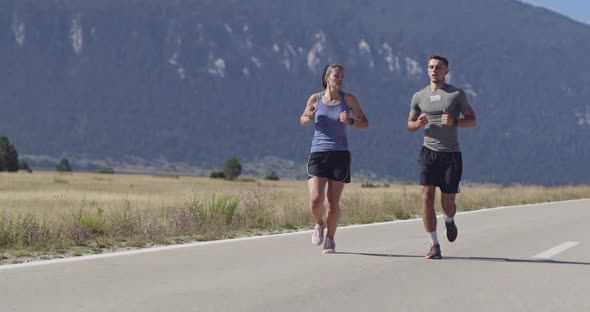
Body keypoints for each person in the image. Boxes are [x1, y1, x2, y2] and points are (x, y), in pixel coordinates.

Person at [407, 55, 477, 259]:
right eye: (430, 67)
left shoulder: (456, 94)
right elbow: (409, 125)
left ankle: (449, 219)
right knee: (426, 198)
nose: (434, 70)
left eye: (438, 67)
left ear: (446, 71)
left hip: (451, 155)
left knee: (448, 204)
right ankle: (434, 245)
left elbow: (472, 120)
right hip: (428, 153)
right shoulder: (419, 96)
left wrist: (455, 122)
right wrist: (417, 125)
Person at [300, 64, 368, 254]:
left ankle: (330, 238)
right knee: (315, 199)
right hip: (318, 153)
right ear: (327, 78)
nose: (340, 79)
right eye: (337, 76)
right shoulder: (315, 99)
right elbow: (303, 120)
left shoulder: (349, 100)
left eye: (342, 76)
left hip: (340, 154)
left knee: (332, 203)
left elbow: (365, 123)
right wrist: (308, 117)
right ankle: (318, 224)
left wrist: (351, 121)